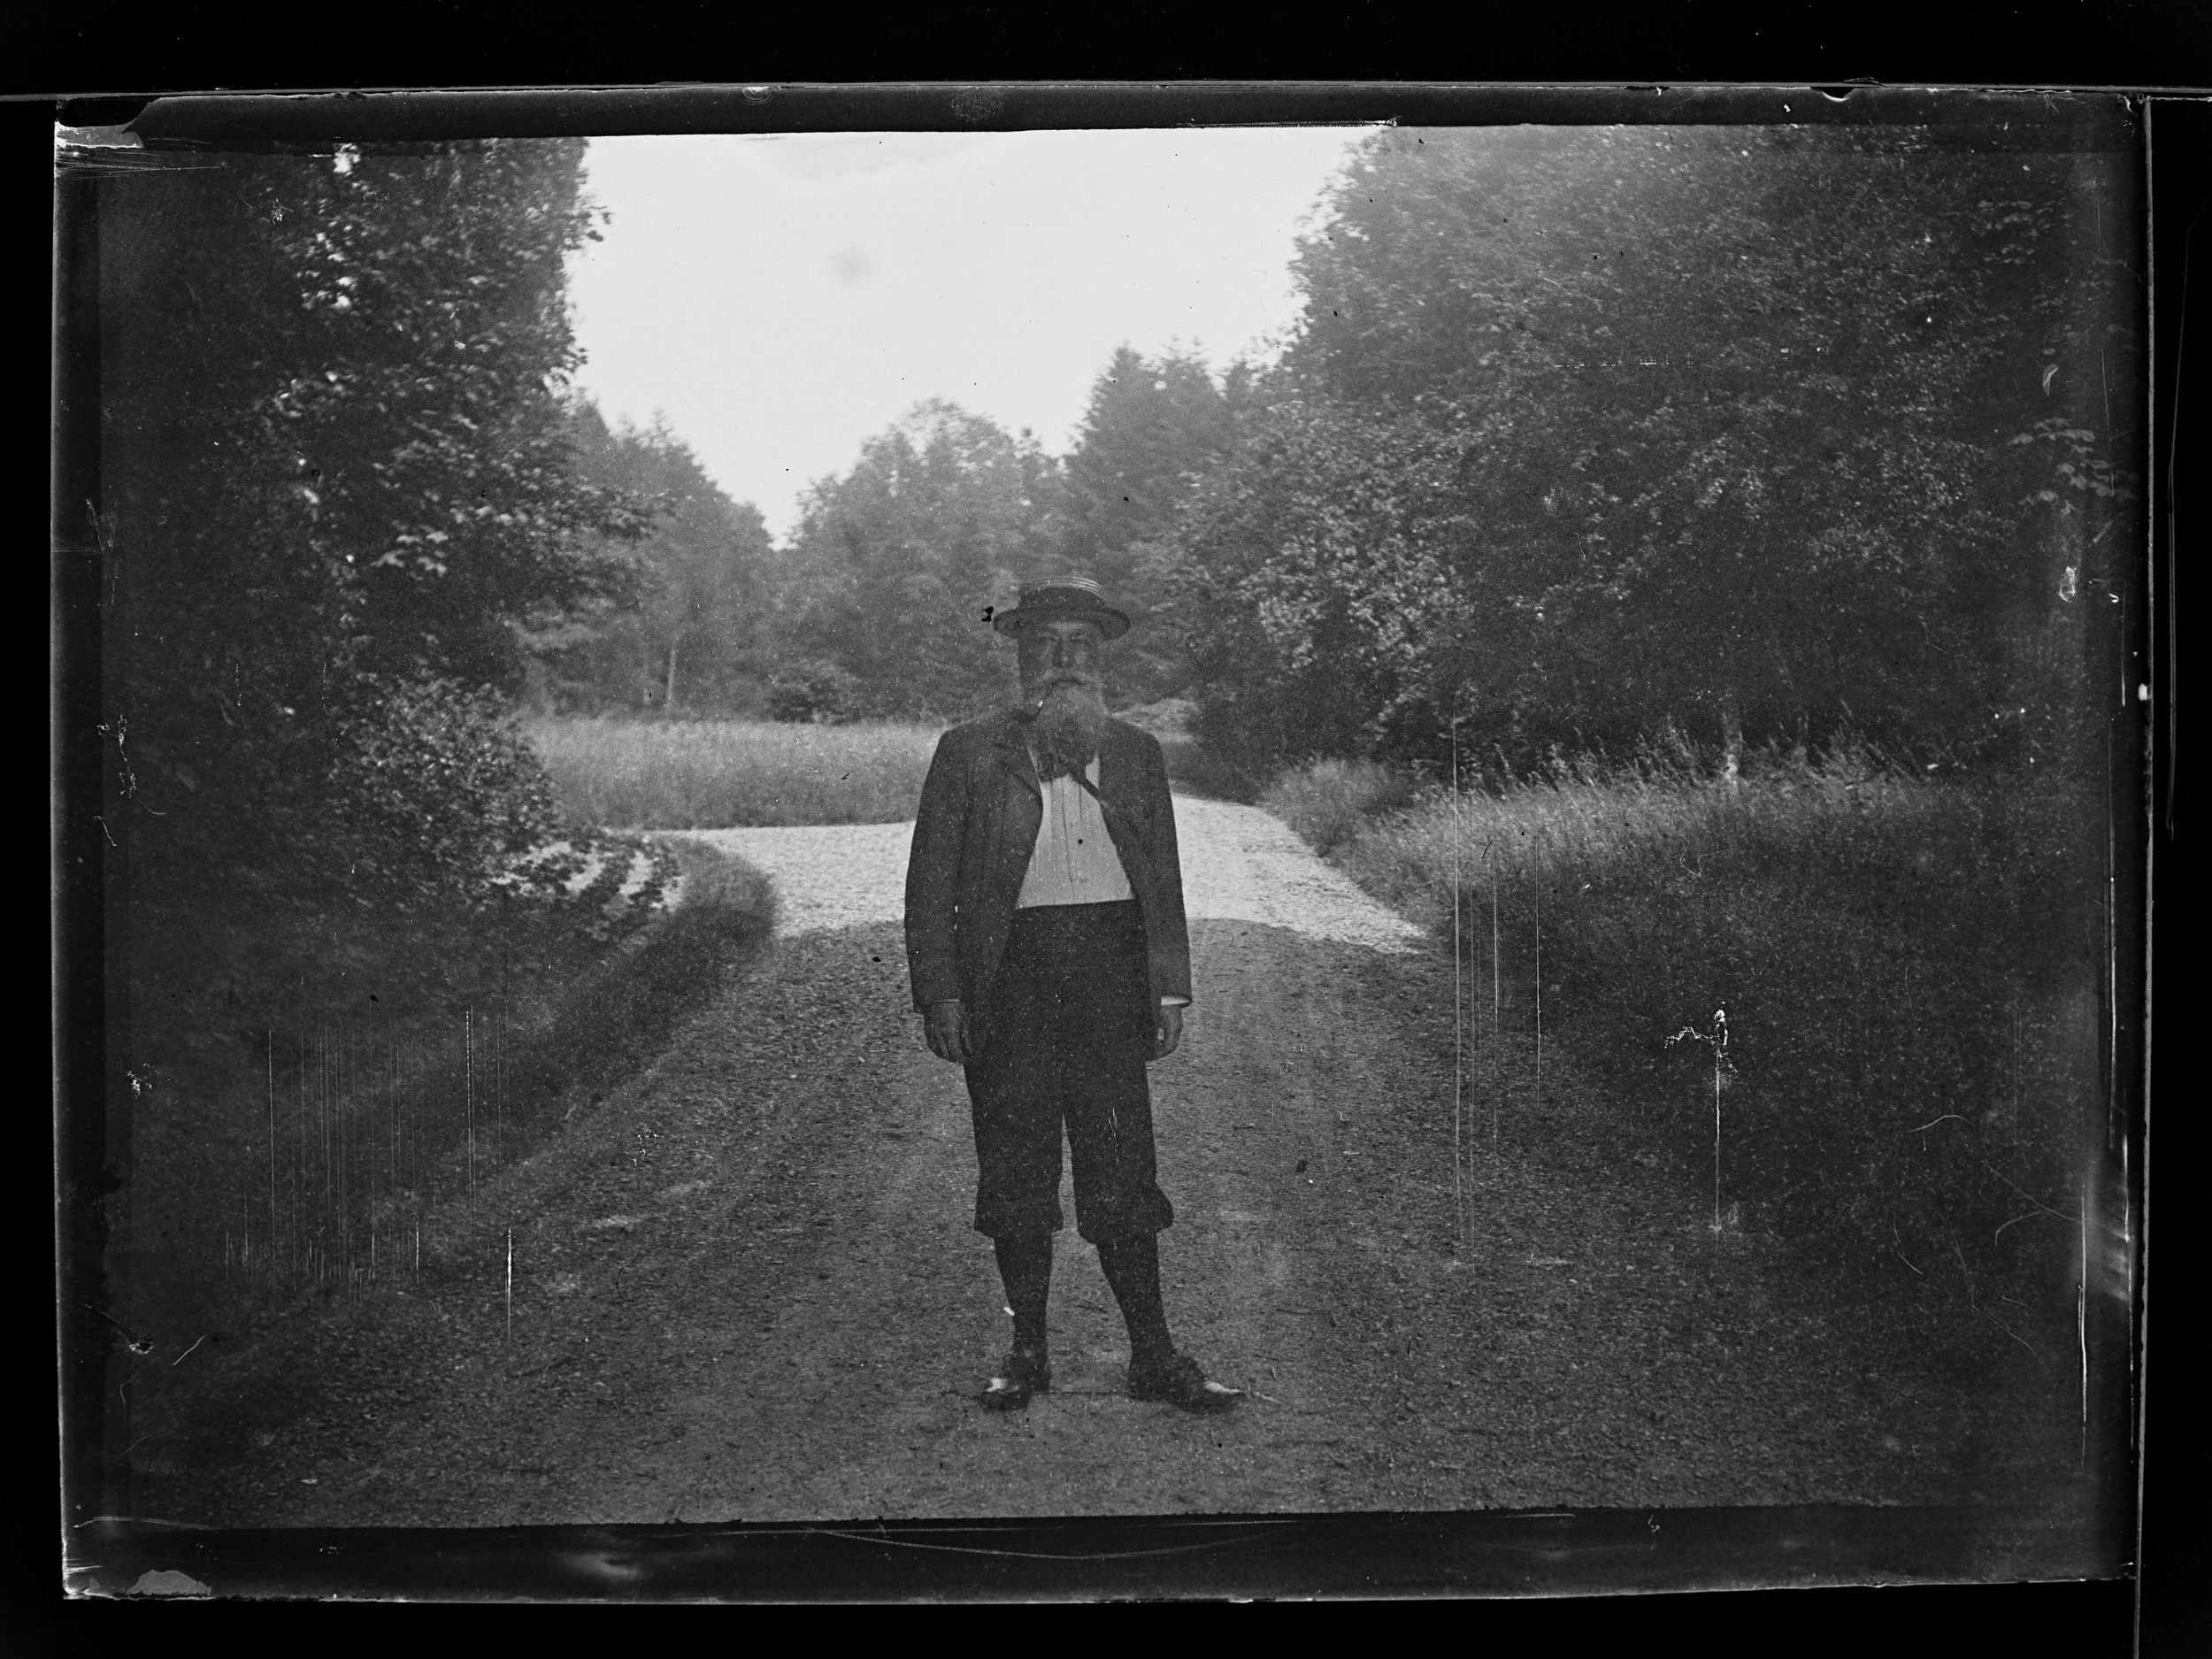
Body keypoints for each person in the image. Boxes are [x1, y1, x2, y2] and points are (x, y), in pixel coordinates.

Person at [904, 576, 1240, 1414]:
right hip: (1009, 978)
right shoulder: (968, 751)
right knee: (1016, 1170)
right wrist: (941, 992)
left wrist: (1169, 989)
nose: (1063, 659)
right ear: (1021, 654)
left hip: (1109, 977)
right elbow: (930, 884)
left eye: (1080, 644)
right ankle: (1026, 1353)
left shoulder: (1135, 752)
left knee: (1122, 1168)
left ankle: (1153, 1355)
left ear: (1101, 657)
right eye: (1045, 643)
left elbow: (1162, 876)